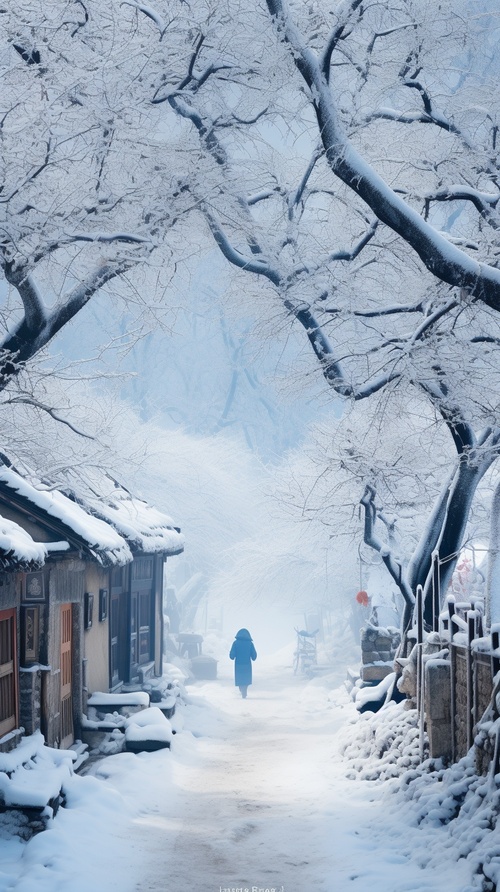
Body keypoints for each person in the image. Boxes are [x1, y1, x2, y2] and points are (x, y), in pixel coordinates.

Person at [229, 628, 257, 698]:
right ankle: (244, 691)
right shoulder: (250, 644)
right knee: (246, 680)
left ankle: (242, 690)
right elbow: (254, 656)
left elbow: (232, 656)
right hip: (247, 665)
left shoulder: (235, 643)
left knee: (240, 679)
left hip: (238, 665)